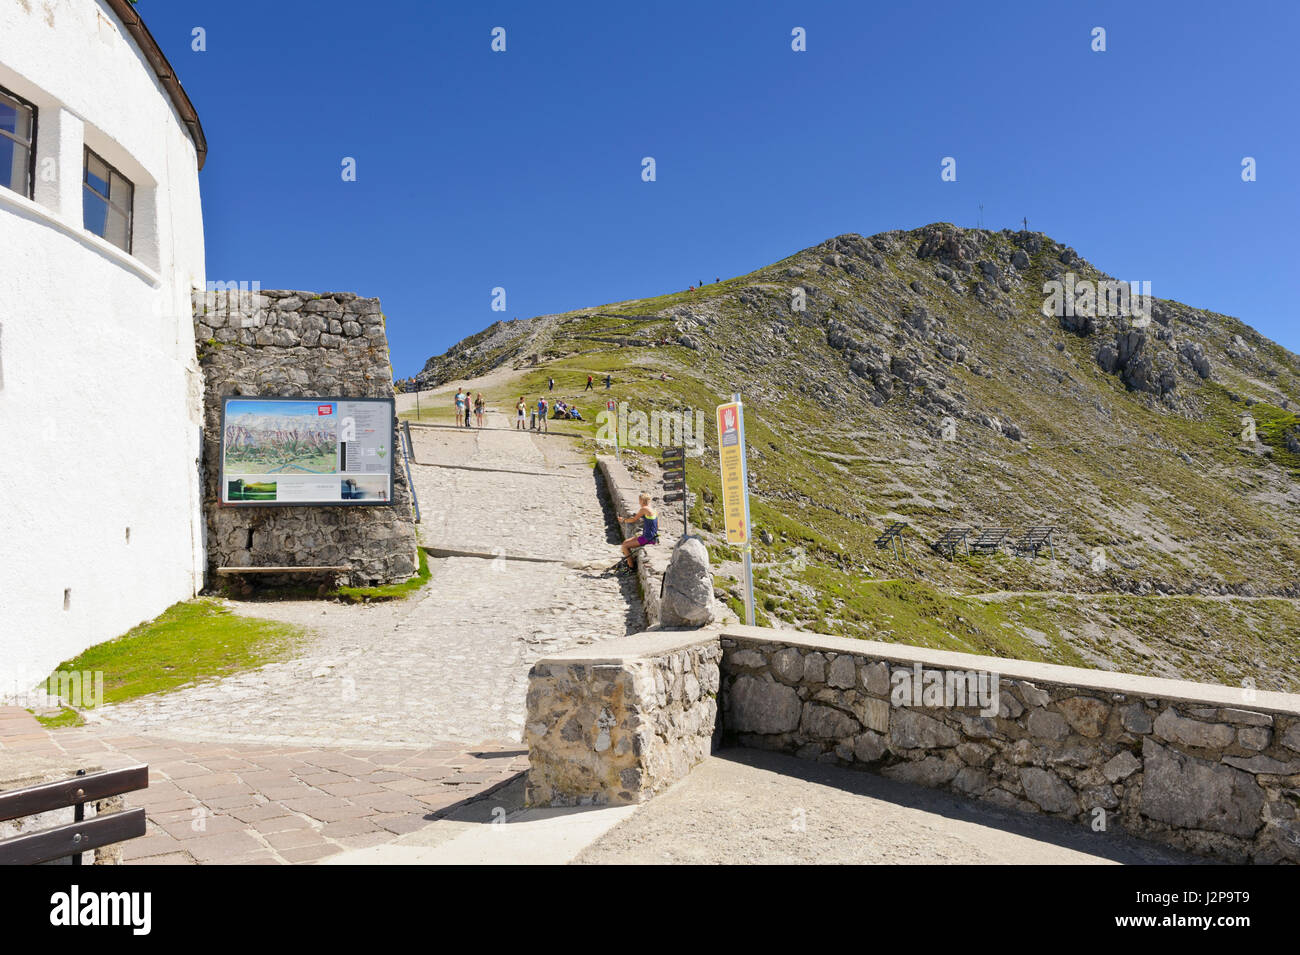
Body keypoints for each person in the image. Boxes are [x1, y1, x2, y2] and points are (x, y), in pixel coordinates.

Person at [617, 493, 659, 570]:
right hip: (651, 536)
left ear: (642, 500)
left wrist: (623, 520)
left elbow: (634, 519)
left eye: (639, 500)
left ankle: (631, 567)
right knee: (625, 542)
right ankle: (630, 562)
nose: (639, 502)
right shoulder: (653, 509)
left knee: (625, 546)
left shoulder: (644, 509)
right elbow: (656, 526)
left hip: (647, 538)